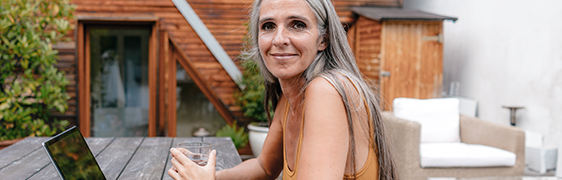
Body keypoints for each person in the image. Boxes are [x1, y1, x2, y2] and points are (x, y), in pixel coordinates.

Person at [168, 0, 397, 179]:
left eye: (297, 25)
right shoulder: (291, 97)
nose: (279, 39)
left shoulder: (325, 91)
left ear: (323, 40)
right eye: (268, 26)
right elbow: (264, 168)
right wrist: (211, 176)